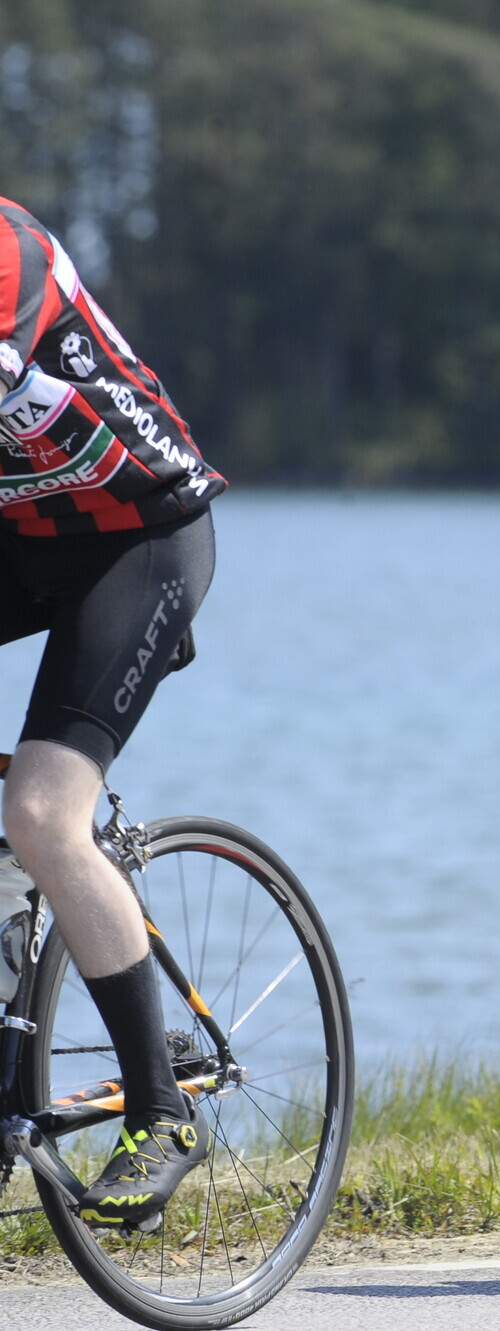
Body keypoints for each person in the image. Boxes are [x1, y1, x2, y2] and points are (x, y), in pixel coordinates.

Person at [1, 196, 225, 1228]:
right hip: (25, 540)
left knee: (44, 813)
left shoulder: (10, 249)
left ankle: (160, 1107)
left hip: (139, 539)